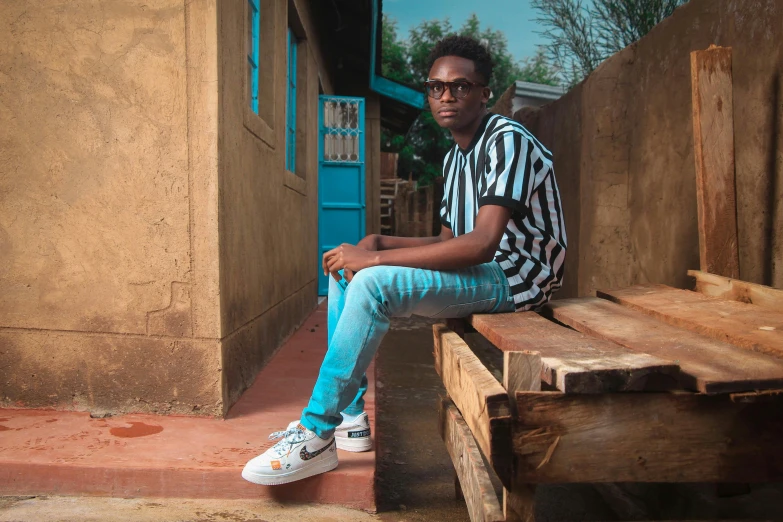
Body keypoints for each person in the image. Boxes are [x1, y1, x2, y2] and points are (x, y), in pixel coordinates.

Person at [242, 35, 567, 486]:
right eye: (436, 87)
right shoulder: (455, 158)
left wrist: (375, 261)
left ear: (484, 92)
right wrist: (379, 243)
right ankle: (351, 418)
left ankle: (315, 433)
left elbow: (481, 245)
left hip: (520, 278)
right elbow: (447, 241)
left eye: (460, 86)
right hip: (484, 271)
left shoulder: (507, 141)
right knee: (348, 270)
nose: (446, 96)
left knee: (371, 282)